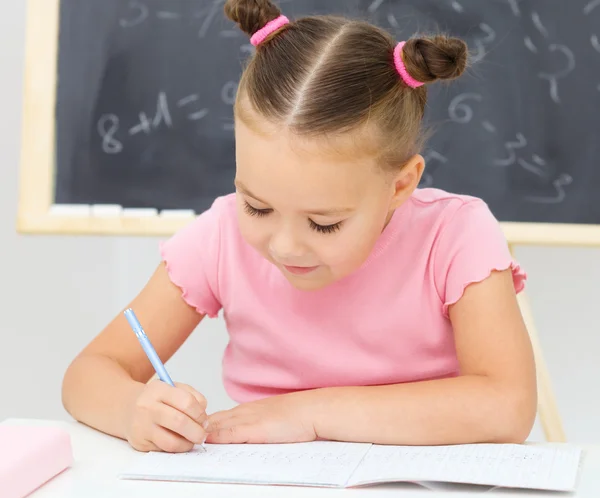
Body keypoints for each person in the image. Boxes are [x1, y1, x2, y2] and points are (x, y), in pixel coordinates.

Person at [62, 0, 537, 453]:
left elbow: (508, 408)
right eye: (257, 207)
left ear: (400, 184)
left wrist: (310, 414)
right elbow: (89, 374)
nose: (286, 246)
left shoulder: (455, 236)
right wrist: (133, 411)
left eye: (324, 223)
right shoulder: (221, 236)